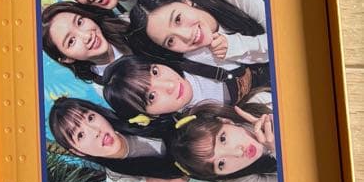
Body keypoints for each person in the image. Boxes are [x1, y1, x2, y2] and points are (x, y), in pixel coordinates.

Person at [48, 97, 186, 182]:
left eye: (90, 118)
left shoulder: (133, 117)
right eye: (80, 135)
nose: (95, 131)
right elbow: (180, 179)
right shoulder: (120, 178)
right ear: (77, 152)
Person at [128, 0, 268, 66]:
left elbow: (279, 39)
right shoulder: (196, 56)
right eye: (170, 41)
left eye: (178, 19)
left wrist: (236, 45)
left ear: (185, 2)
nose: (186, 36)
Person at [102, 56, 270, 123]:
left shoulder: (195, 55)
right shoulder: (199, 126)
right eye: (151, 96)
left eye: (155, 72)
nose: (169, 85)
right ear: (149, 115)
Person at [168, 95, 279, 182]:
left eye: (223, 139)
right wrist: (278, 151)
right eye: (221, 164)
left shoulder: (261, 102)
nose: (238, 153)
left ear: (226, 121)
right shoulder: (239, 181)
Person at [41, 1, 132, 84]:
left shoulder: (129, 23)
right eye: (71, 41)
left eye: (79, 22)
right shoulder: (104, 87)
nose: (87, 36)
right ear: (66, 58)